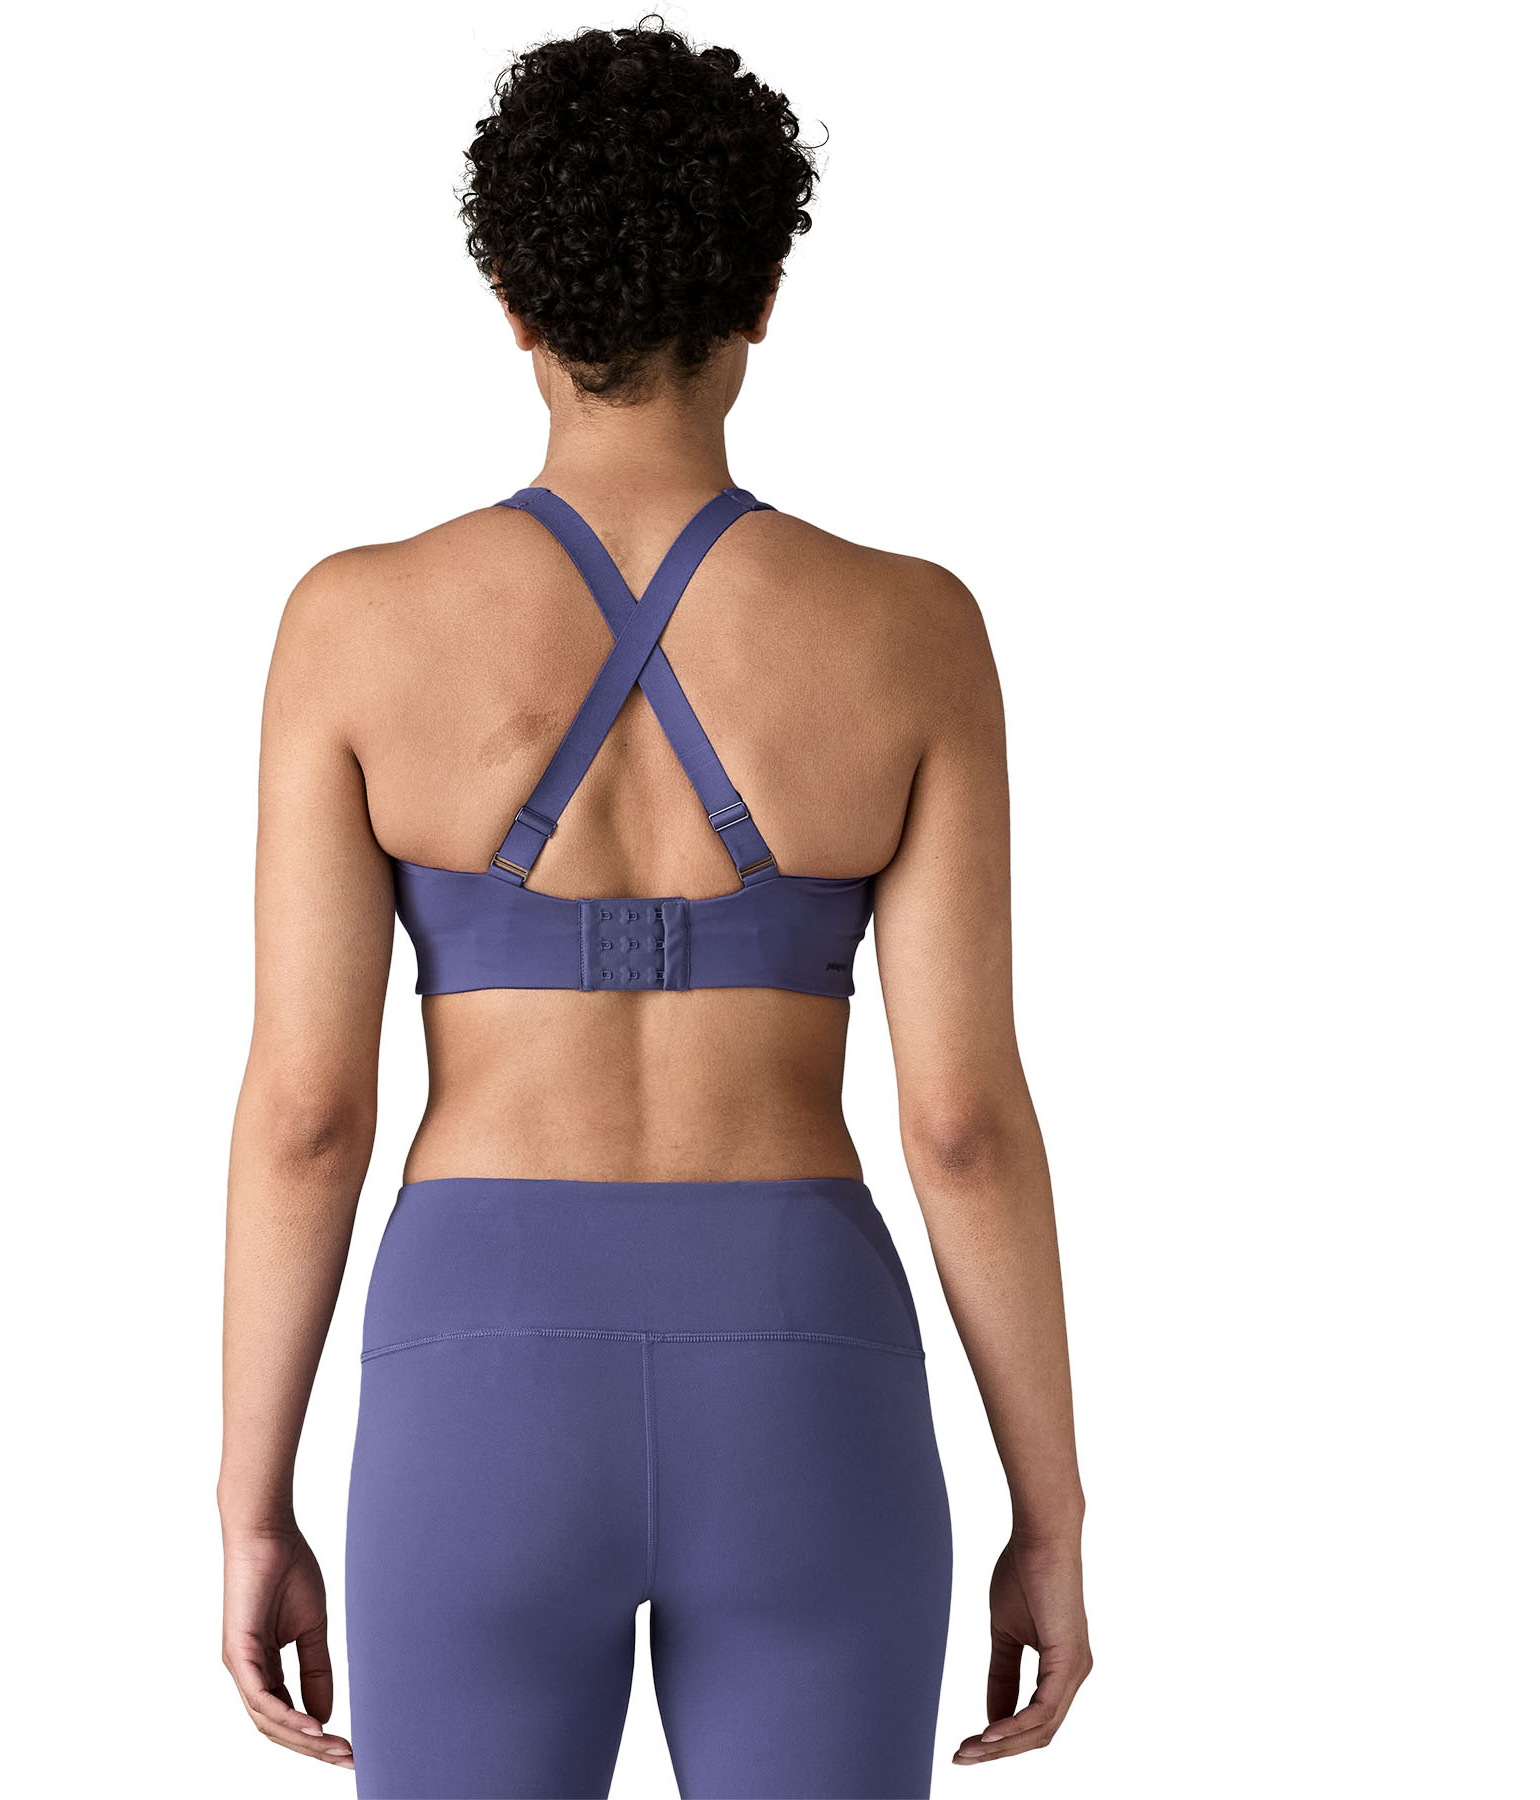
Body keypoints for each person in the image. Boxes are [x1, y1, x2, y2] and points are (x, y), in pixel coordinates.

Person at [218, 20, 1089, 1798]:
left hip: (477, 1371)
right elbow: (963, 1127)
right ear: (763, 295)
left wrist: (250, 1498)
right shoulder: (914, 633)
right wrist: (1052, 1509)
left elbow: (308, 1117)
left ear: (510, 303)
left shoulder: (354, 627)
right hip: (805, 1369)